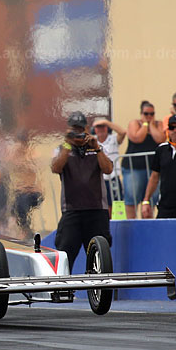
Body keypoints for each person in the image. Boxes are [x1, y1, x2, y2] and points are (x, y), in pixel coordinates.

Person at [51, 111, 114, 271]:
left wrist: (96, 147)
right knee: (65, 252)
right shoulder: (62, 149)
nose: (78, 133)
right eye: (74, 129)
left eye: (81, 129)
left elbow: (108, 169)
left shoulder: (98, 148)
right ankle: (62, 284)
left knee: (100, 255)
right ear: (68, 130)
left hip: (96, 210)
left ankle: (100, 284)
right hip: (72, 210)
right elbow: (56, 168)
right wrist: (68, 144)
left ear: (87, 129)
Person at [141, 115, 176, 219]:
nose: (175, 131)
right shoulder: (161, 150)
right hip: (165, 206)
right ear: (168, 130)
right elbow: (154, 177)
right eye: (172, 128)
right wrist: (146, 201)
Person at [122, 101, 165, 219]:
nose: (149, 116)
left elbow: (160, 139)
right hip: (134, 168)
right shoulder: (134, 123)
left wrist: (151, 125)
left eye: (152, 114)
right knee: (132, 198)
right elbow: (137, 138)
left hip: (152, 169)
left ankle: (147, 224)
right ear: (141, 114)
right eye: (146, 114)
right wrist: (145, 125)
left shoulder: (158, 124)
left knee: (151, 200)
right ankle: (131, 224)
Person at [92, 117, 127, 215]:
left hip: (113, 178)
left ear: (107, 128)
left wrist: (107, 122)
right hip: (99, 178)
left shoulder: (113, 138)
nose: (101, 129)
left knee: (116, 205)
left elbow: (123, 132)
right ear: (95, 129)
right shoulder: (92, 141)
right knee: (102, 205)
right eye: (98, 127)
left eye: (103, 126)